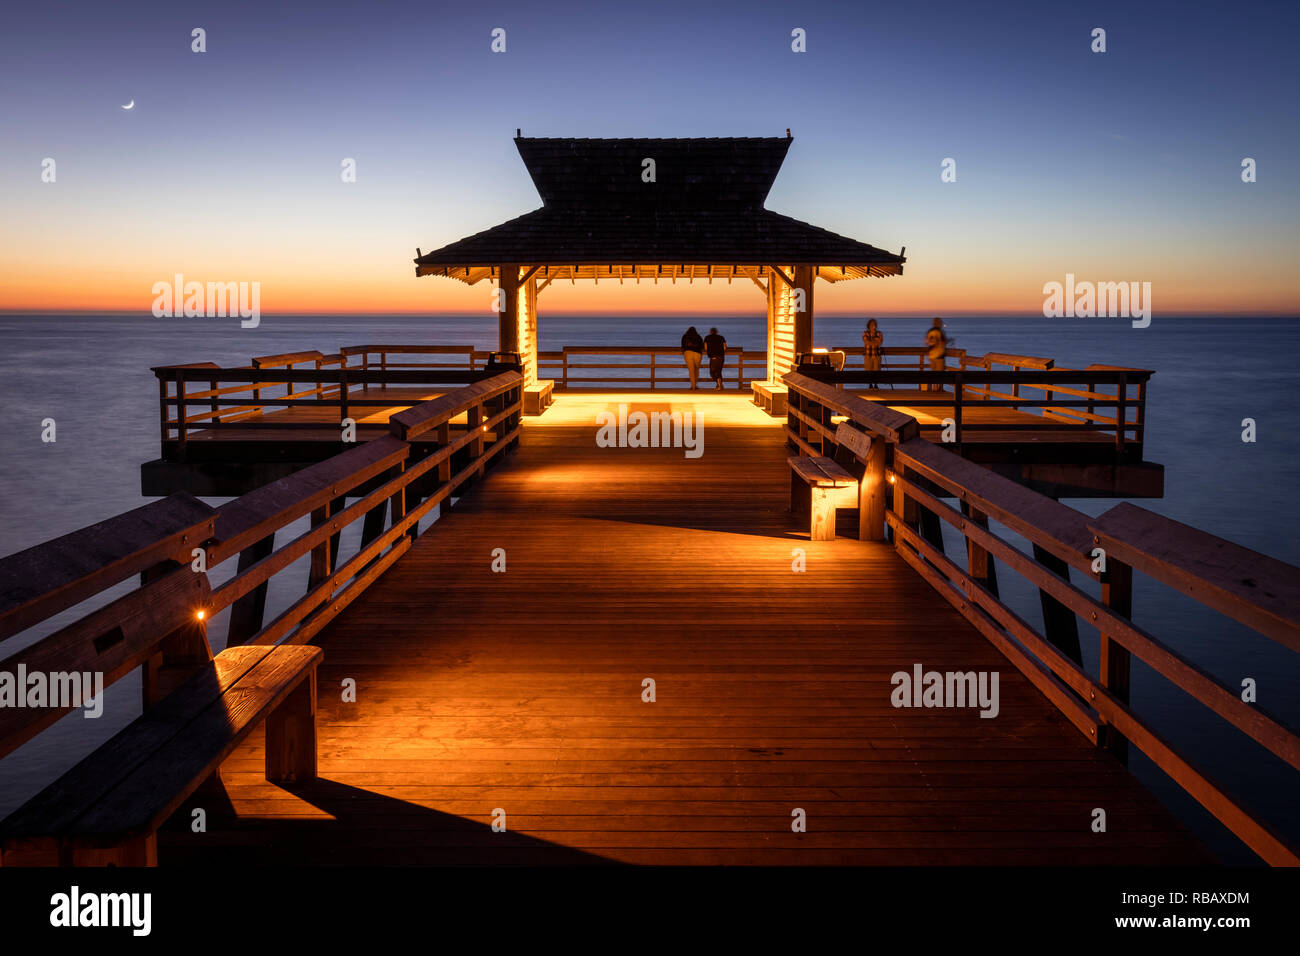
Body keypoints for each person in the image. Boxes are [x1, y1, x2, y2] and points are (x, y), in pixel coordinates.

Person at [924, 317, 948, 391]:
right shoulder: (940, 331)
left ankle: (934, 388)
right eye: (940, 322)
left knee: (933, 373)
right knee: (940, 373)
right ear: (938, 323)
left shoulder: (930, 331)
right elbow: (943, 341)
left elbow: (926, 341)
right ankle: (939, 389)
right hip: (939, 355)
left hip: (931, 355)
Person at [681, 325, 704, 390]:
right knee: (696, 369)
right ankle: (695, 385)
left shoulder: (685, 336)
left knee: (691, 370)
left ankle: (693, 386)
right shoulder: (698, 337)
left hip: (688, 353)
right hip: (697, 353)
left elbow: (682, 346)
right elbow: (702, 346)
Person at [862, 319, 883, 388]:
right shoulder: (865, 333)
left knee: (877, 370)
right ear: (869, 325)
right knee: (868, 370)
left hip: (877, 355)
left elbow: (879, 343)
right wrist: (875, 341)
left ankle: (876, 384)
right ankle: (870, 384)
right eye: (871, 324)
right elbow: (866, 342)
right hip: (868, 355)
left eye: (874, 324)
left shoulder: (879, 333)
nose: (873, 326)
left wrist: (871, 341)